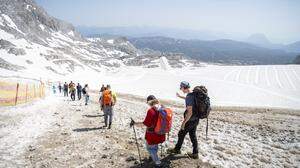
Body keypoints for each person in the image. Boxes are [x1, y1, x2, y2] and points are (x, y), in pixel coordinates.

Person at [130, 95, 165, 167]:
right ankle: (153, 157)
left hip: (152, 134)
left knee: (150, 148)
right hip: (161, 132)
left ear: (149, 102)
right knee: (155, 146)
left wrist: (135, 123)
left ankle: (157, 162)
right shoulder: (162, 108)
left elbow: (145, 123)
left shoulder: (151, 111)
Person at [167, 81, 200, 159]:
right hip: (196, 119)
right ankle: (195, 153)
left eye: (181, 87)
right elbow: (189, 99)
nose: (181, 89)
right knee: (193, 135)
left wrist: (184, 123)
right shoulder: (193, 93)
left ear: (184, 87)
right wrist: (180, 96)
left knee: (181, 133)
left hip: (190, 120)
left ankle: (177, 149)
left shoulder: (189, 96)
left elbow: (190, 112)